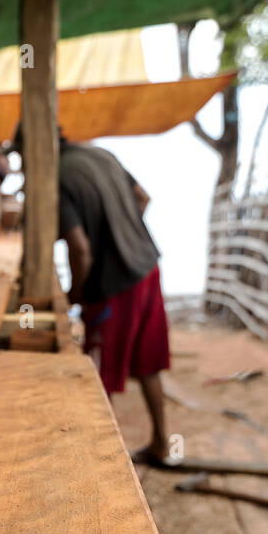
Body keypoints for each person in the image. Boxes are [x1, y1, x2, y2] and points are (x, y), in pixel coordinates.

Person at [58, 135, 171, 465]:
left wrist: (74, 295)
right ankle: (162, 444)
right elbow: (143, 198)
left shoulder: (59, 177)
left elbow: (79, 248)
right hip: (147, 267)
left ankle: (100, 463)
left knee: (97, 375)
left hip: (113, 286)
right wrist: (124, 231)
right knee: (147, 362)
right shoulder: (101, 153)